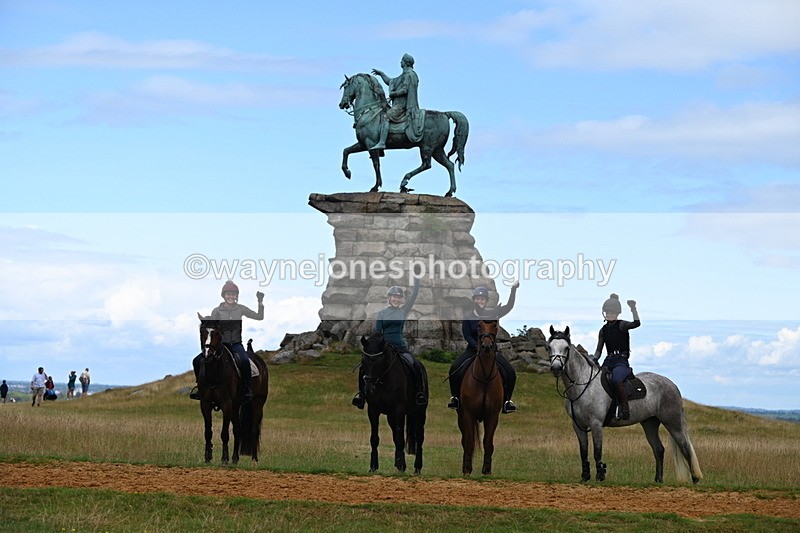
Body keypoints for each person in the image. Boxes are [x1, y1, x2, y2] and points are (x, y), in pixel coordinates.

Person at [352, 278, 426, 409]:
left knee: (415, 365)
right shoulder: (382, 314)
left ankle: (419, 392)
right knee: (364, 367)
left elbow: (413, 296)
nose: (396, 299)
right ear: (389, 298)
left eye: (398, 297)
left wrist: (417, 281)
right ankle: (362, 396)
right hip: (385, 348)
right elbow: (377, 332)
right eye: (394, 297)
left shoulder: (403, 311)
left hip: (400, 347)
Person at [448, 282, 520, 414]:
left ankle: (507, 401)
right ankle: (456, 398)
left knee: (510, 372)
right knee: (454, 368)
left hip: (491, 352)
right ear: (474, 300)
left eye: (482, 299)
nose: (480, 301)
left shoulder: (492, 314)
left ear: (486, 301)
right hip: (472, 350)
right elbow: (467, 335)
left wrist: (513, 290)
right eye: (478, 298)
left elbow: (509, 306)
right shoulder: (468, 316)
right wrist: (476, 346)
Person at [191, 280, 264, 403]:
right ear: (224, 295)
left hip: (236, 344)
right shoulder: (217, 311)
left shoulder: (241, 309)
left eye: (233, 294)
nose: (231, 296)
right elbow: (212, 327)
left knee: (245, 362)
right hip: (221, 345)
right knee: (197, 360)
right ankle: (201, 388)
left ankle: (246, 390)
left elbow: (259, 316)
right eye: (228, 294)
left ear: (236, 296)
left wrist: (260, 302)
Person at [593, 294, 640, 420]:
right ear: (604, 313)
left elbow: (637, 323)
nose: (610, 314)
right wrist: (594, 359)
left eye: (613, 312)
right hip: (608, 361)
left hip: (621, 362)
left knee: (616, 380)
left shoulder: (622, 325)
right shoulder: (603, 330)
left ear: (617, 313)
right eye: (608, 312)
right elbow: (599, 350)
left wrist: (633, 308)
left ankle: (625, 409)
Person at [370, 53, 424, 150]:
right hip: (398, 105)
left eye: (402, 60)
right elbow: (390, 81)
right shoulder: (404, 75)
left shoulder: (409, 74)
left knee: (385, 117)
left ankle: (382, 143)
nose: (400, 62)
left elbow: (405, 90)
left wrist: (393, 94)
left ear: (406, 62)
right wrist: (381, 74)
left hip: (402, 106)